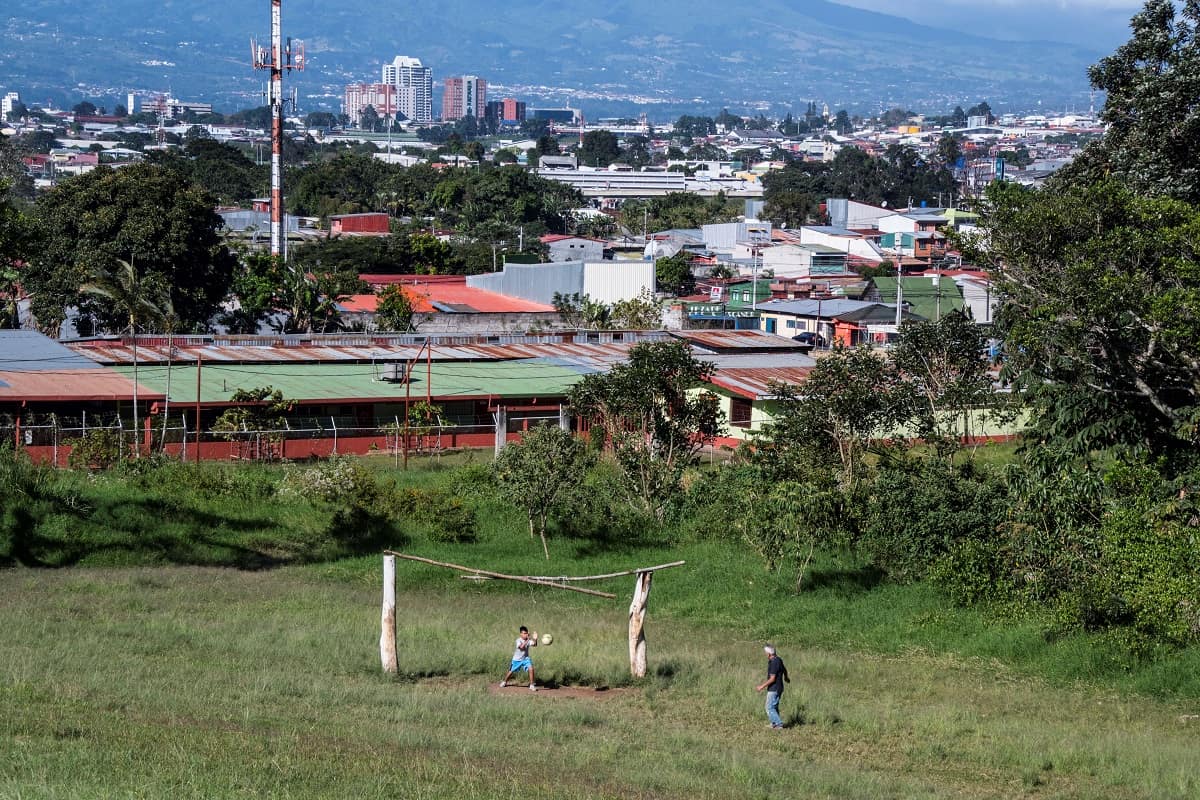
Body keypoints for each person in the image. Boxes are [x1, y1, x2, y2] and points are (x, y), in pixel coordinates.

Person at [755, 644, 789, 729]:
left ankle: (779, 724)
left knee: (769, 707)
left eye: (765, 653)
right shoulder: (779, 659)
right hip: (779, 687)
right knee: (774, 706)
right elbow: (784, 669)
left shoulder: (774, 663)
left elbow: (772, 679)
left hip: (774, 688)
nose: (765, 654)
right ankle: (774, 723)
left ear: (769, 654)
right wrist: (786, 677)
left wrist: (761, 686)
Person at [500, 625, 539, 691]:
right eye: (524, 633)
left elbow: (535, 645)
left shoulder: (528, 640)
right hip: (517, 659)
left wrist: (535, 639)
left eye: (526, 633)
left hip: (525, 658)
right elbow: (521, 647)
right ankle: (504, 681)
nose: (525, 635)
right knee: (511, 671)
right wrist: (528, 639)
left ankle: (532, 685)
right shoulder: (518, 640)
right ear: (520, 634)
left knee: (531, 669)